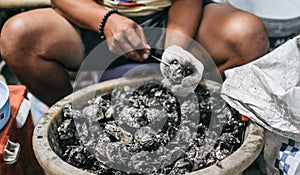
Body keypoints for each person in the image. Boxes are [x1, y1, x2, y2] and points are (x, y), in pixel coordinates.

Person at [0, 0, 269, 106]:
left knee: (248, 37)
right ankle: (77, 115)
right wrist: (107, 21)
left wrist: (175, 48)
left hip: (171, 17)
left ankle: (199, 103)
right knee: (18, 37)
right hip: (95, 19)